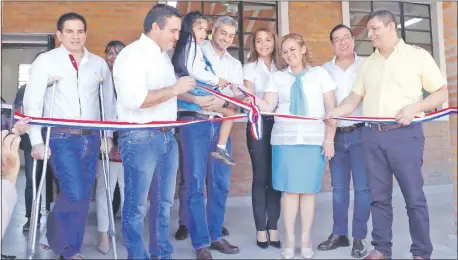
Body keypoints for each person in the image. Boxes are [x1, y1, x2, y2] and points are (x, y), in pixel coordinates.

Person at [325, 10, 448, 260]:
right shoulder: (368, 64)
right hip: (372, 137)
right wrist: (334, 112)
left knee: (413, 197)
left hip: (404, 136)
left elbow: (441, 92)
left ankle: (421, 251)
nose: (369, 35)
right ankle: (382, 249)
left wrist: (415, 107)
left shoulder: (417, 56)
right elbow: (354, 98)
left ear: (391, 27)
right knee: (378, 198)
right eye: (368, 30)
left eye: (374, 29)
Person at [23, 12, 116, 259]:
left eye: (80, 31)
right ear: (59, 35)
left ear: (86, 33)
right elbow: (33, 101)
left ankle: (70, 248)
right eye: (70, 31)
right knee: (73, 192)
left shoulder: (98, 64)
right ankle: (56, 238)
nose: (76, 36)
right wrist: (36, 140)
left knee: (83, 196)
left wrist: (108, 135)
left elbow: (108, 102)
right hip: (60, 137)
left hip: (92, 136)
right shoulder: (46, 61)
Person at [112, 4, 195, 259]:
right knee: (136, 206)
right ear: (156, 26)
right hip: (140, 137)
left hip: (167, 136)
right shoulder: (132, 56)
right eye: (173, 30)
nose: (177, 36)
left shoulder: (162, 57)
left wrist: (201, 101)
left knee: (164, 204)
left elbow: (169, 96)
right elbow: (135, 100)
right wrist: (175, 89)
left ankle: (162, 254)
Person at [254, 33, 337, 259]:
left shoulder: (321, 74)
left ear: (303, 48)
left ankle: (305, 238)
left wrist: (329, 139)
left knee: (308, 192)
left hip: (312, 140)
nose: (289, 54)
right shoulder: (277, 78)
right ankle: (290, 237)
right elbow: (268, 105)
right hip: (285, 140)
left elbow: (332, 109)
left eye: (292, 49)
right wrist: (247, 98)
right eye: (284, 51)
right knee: (289, 192)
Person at [176, 15, 243, 259]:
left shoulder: (234, 65)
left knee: (220, 183)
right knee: (194, 183)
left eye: (230, 35)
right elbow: (180, 88)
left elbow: (238, 98)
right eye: (221, 32)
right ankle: (200, 242)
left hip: (221, 125)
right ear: (213, 31)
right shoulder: (193, 50)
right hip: (195, 122)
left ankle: (215, 235)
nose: (225, 38)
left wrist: (223, 102)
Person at [318, 24, 371, 258]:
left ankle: (359, 237)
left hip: (362, 134)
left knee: (362, 188)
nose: (343, 42)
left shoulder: (367, 65)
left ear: (353, 40)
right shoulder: (323, 70)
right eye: (337, 39)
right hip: (334, 136)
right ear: (331, 45)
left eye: (347, 37)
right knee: (339, 188)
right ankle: (339, 233)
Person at [242, 27, 282, 249]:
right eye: (259, 40)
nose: (264, 44)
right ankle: (260, 229)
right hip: (258, 124)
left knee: (275, 178)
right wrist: (260, 102)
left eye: (268, 40)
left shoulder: (283, 67)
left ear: (274, 42)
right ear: (254, 44)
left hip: (280, 125)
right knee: (260, 176)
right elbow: (249, 98)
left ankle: (273, 227)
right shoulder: (249, 68)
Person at [12, 52, 58, 233]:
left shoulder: (57, 86)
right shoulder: (25, 89)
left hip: (56, 140)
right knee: (32, 180)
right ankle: (32, 218)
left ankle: (56, 219)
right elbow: (19, 114)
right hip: (32, 141)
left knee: (57, 179)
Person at [95, 40, 125, 255]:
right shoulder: (100, 80)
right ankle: (103, 234)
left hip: (130, 141)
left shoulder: (131, 78)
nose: (113, 56)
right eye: (110, 53)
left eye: (118, 53)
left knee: (127, 189)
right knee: (105, 189)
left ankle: (126, 232)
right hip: (105, 141)